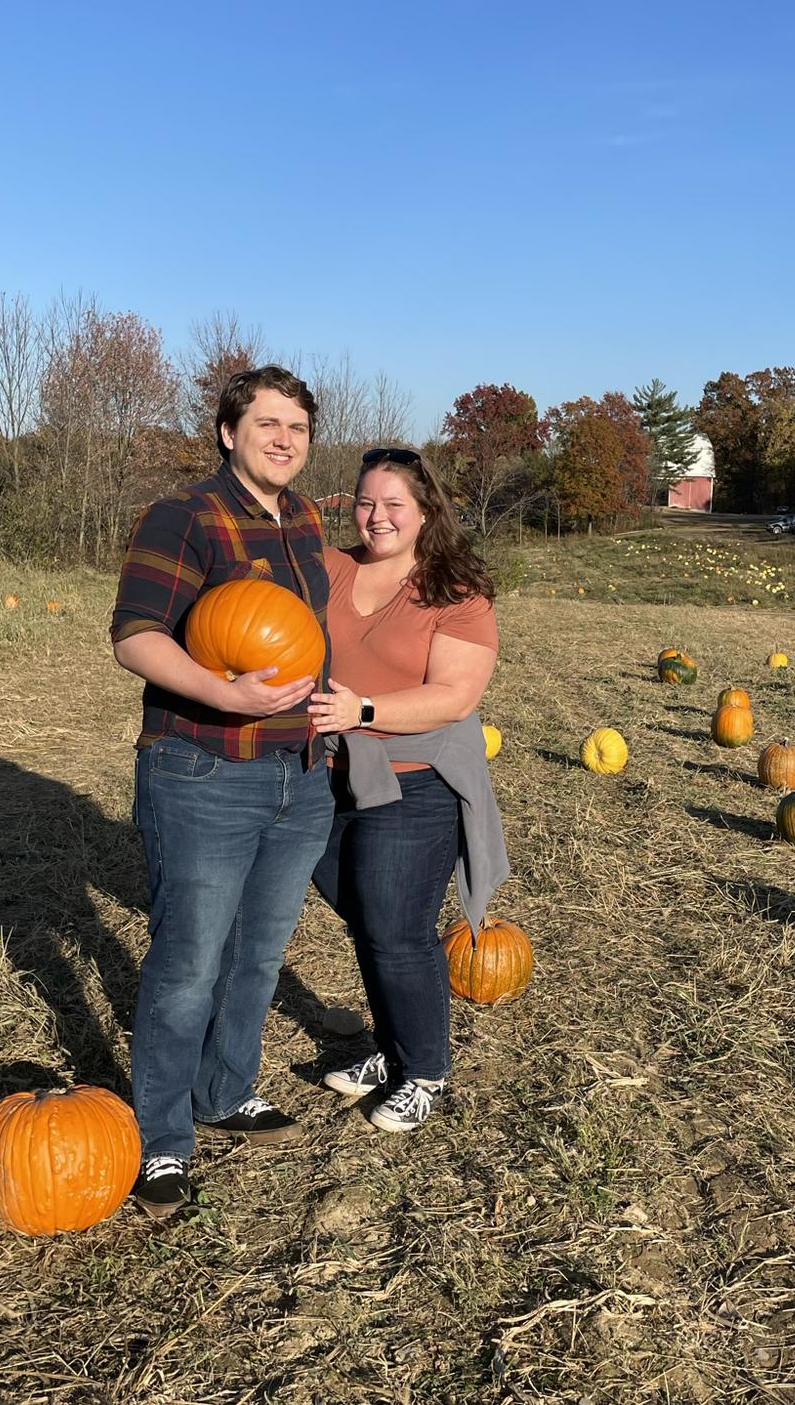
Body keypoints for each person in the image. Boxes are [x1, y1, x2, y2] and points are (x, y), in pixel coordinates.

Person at [110, 365, 334, 1218]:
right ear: (228, 432)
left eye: (298, 428)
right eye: (268, 423)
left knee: (259, 953)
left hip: (300, 773)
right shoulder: (186, 515)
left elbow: (310, 636)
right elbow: (134, 637)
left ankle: (225, 1088)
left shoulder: (308, 520)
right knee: (187, 965)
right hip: (204, 770)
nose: (284, 439)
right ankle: (163, 1138)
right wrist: (226, 694)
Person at [308, 447, 509, 1133]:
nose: (377, 516)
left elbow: (453, 697)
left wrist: (363, 711)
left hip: (414, 781)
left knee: (397, 931)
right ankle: (392, 1049)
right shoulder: (330, 568)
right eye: (366, 502)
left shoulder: (455, 590)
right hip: (329, 772)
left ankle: (424, 1068)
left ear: (425, 511)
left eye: (394, 503)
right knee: (366, 919)